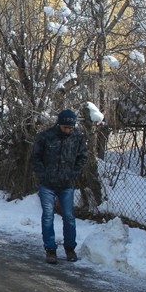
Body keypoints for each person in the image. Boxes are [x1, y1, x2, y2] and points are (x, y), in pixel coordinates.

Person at [29, 109, 88, 264]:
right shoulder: (46, 137)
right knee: (48, 215)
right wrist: (43, 174)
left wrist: (73, 173)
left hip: (66, 184)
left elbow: (83, 158)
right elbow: (35, 157)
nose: (69, 130)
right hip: (47, 184)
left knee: (69, 217)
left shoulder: (77, 139)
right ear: (59, 124)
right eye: (66, 127)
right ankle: (50, 249)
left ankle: (70, 248)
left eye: (71, 127)